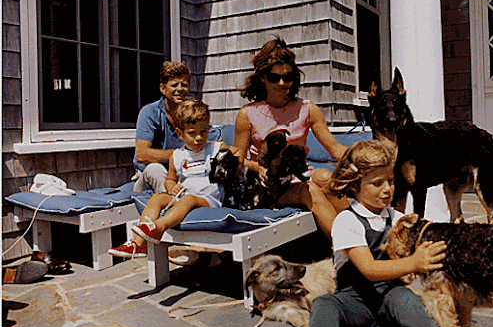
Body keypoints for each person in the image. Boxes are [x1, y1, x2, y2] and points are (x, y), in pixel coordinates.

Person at [308, 138, 462, 327]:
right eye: (377, 183)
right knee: (324, 305)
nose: (388, 189)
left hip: (390, 301)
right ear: (355, 186)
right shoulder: (347, 221)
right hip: (354, 304)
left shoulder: (397, 217)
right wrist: (414, 262)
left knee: (408, 300)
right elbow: (368, 269)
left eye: (390, 181)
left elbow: (426, 235)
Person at [234, 36, 348, 238]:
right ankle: (349, 247)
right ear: (262, 77)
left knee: (325, 177)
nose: (282, 83)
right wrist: (258, 167)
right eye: (274, 77)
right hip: (268, 186)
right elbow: (238, 159)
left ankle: (362, 233)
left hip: (299, 176)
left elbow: (336, 149)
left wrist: (368, 160)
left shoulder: (307, 109)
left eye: (287, 77)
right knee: (309, 190)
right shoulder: (247, 114)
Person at [110, 62, 218, 258]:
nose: (180, 89)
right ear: (162, 88)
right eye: (174, 85)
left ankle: (165, 236)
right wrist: (185, 153)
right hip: (149, 175)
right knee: (155, 170)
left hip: (182, 179)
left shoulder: (191, 113)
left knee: (185, 192)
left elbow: (211, 138)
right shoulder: (150, 112)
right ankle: (173, 240)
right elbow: (142, 154)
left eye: (184, 84)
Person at [131, 100, 243, 244]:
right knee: (157, 197)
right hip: (184, 196)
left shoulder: (215, 148)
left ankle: (158, 227)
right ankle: (138, 243)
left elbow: (237, 152)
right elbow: (170, 179)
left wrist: (235, 165)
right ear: (180, 133)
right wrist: (171, 187)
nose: (199, 138)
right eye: (192, 133)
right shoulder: (177, 156)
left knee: (188, 199)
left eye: (203, 132)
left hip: (208, 199)